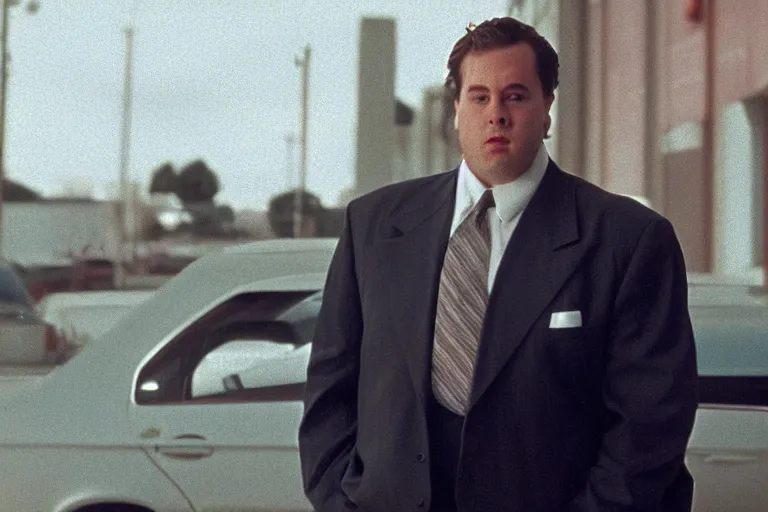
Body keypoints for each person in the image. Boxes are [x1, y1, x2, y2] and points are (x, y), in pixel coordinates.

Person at [299, 16, 698, 512]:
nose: (496, 116)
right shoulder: (374, 226)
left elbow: (648, 431)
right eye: (480, 97)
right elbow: (329, 394)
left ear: (547, 108)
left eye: (516, 96)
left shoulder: (628, 241)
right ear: (456, 109)